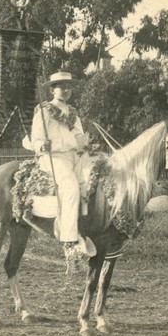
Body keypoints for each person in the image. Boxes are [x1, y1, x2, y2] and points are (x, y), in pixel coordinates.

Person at [26, 71, 95, 261]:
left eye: (68, 86)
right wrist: (41, 145)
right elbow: (34, 139)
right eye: (61, 86)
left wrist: (86, 142)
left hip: (74, 156)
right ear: (52, 89)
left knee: (94, 179)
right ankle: (69, 241)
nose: (66, 90)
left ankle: (88, 229)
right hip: (52, 157)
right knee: (71, 187)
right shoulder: (44, 111)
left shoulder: (73, 114)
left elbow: (79, 138)